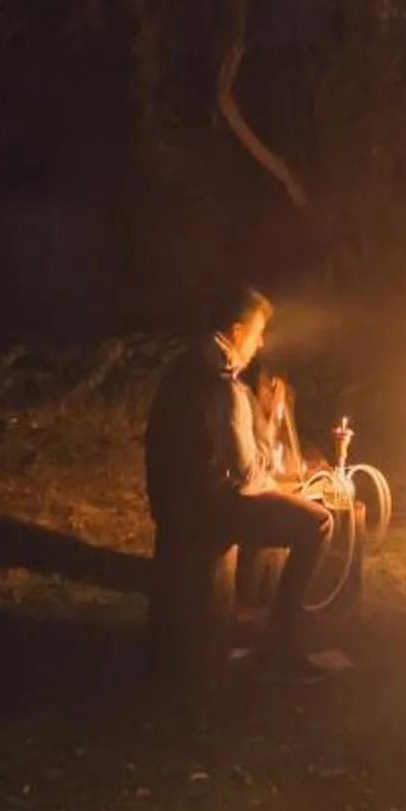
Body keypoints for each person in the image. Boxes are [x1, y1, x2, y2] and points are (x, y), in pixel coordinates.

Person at [144, 280, 341, 685]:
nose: (261, 343)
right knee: (318, 522)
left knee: (286, 508)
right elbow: (247, 476)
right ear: (236, 333)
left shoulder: (185, 367)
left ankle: (252, 616)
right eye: (257, 333)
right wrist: (285, 488)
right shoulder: (223, 384)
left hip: (173, 501)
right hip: (204, 508)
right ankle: (280, 644)